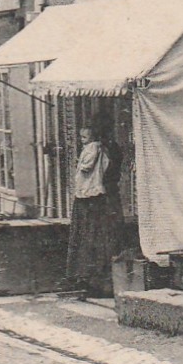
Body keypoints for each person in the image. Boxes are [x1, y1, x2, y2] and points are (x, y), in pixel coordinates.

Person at [65, 121, 123, 298]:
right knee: (92, 238)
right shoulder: (102, 150)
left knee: (94, 238)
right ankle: (90, 280)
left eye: (85, 137)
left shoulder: (96, 150)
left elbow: (88, 167)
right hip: (94, 197)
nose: (83, 141)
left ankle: (96, 280)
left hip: (93, 198)